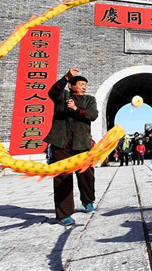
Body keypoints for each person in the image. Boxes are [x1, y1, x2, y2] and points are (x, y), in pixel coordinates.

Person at [43, 68, 98, 226]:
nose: (83, 87)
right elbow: (52, 92)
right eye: (80, 84)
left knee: (87, 174)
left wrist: (76, 109)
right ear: (71, 86)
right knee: (62, 177)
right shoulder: (62, 96)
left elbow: (92, 115)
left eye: (85, 85)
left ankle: (88, 201)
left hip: (82, 143)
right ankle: (63, 214)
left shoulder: (89, 99)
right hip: (61, 143)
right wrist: (66, 77)